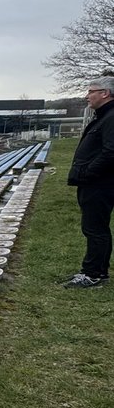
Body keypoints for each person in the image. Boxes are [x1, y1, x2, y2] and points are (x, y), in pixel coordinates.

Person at [64, 76, 114, 288]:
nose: (87, 96)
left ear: (105, 93)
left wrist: (88, 173)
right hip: (95, 183)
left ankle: (93, 274)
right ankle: (97, 271)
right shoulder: (103, 116)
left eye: (91, 91)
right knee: (95, 228)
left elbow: (111, 152)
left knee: (95, 229)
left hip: (99, 184)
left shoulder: (111, 117)